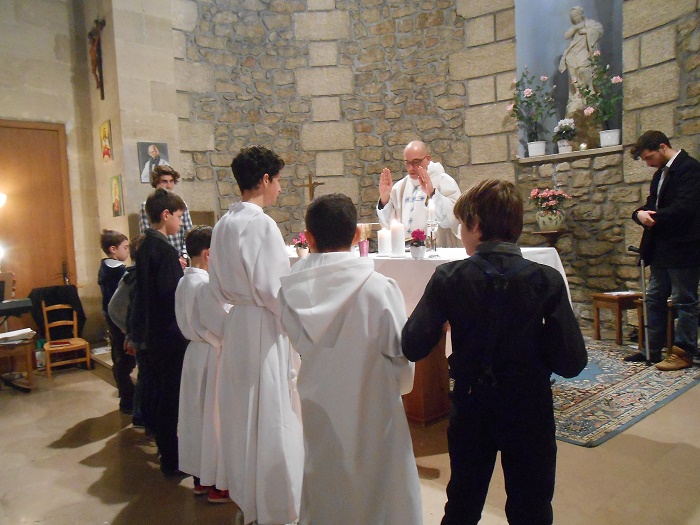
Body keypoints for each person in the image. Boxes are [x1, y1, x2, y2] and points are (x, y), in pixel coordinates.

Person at [402, 179, 587, 525]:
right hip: (529, 406)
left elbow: (413, 345)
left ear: (476, 225)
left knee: (463, 503)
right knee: (532, 507)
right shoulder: (546, 279)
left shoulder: (449, 277)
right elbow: (572, 362)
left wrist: (443, 322)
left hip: (473, 405)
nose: (461, 234)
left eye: (461, 225)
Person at [279, 193, 421, 525]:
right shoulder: (379, 288)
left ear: (308, 237)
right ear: (358, 235)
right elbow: (400, 353)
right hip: (374, 400)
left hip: (319, 401)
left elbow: (298, 343)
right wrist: (400, 386)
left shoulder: (289, 291)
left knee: (327, 474)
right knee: (381, 479)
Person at [207, 146, 303, 525]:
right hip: (263, 325)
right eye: (277, 180)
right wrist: (297, 327)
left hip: (238, 325)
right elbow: (274, 290)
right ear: (264, 180)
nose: (279, 187)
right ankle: (273, 506)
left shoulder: (223, 224)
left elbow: (215, 285)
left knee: (242, 415)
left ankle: (249, 500)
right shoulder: (261, 224)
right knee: (270, 413)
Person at [626, 131, 700, 370]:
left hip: (683, 247)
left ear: (662, 147)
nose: (648, 163)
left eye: (649, 157)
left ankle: (683, 352)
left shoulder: (690, 169)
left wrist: (653, 217)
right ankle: (651, 349)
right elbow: (652, 204)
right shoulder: (660, 174)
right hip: (661, 248)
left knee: (684, 300)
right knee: (654, 298)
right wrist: (638, 214)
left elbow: (685, 208)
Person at [129, 188, 189, 477]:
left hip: (152, 334)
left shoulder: (145, 245)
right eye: (178, 216)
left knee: (159, 392)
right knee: (170, 397)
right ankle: (172, 459)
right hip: (168, 335)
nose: (180, 222)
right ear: (166, 215)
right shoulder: (164, 250)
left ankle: (165, 451)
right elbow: (171, 296)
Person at [174, 226, 231, 503]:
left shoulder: (184, 281)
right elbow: (221, 325)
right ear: (208, 254)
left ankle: (199, 478)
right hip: (212, 354)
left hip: (195, 353)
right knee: (214, 420)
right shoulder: (205, 286)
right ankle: (217, 484)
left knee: (196, 418)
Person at [377, 140, 461, 247]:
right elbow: (389, 225)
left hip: (436, 249)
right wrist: (385, 199)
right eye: (407, 162)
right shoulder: (399, 187)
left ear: (428, 159)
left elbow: (451, 221)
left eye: (416, 162)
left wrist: (433, 193)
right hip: (406, 252)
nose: (411, 168)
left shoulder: (444, 181)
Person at [108, 235, 150, 431]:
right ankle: (139, 415)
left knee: (146, 376)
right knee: (144, 376)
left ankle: (142, 414)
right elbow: (115, 308)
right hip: (142, 337)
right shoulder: (132, 277)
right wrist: (129, 330)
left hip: (143, 335)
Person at [98, 229, 133, 414]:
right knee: (125, 360)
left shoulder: (104, 266)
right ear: (113, 249)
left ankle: (125, 396)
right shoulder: (118, 271)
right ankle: (128, 399)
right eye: (125, 247)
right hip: (119, 319)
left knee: (118, 356)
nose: (128, 251)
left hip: (110, 317)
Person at [139, 165, 192, 268]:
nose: (168, 186)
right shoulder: (147, 206)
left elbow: (188, 233)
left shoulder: (181, 205)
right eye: (164, 181)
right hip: (159, 259)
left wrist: (184, 255)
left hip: (181, 258)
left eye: (171, 181)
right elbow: (145, 235)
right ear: (156, 183)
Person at [558, 6, 603, 116]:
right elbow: (566, 36)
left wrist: (587, 32)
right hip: (573, 52)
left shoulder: (590, 23)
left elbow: (599, 31)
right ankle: (578, 92)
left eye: (576, 15)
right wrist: (575, 28)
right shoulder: (574, 27)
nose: (575, 18)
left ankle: (590, 90)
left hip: (584, 51)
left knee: (583, 69)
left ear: (581, 15)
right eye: (573, 17)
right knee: (573, 73)